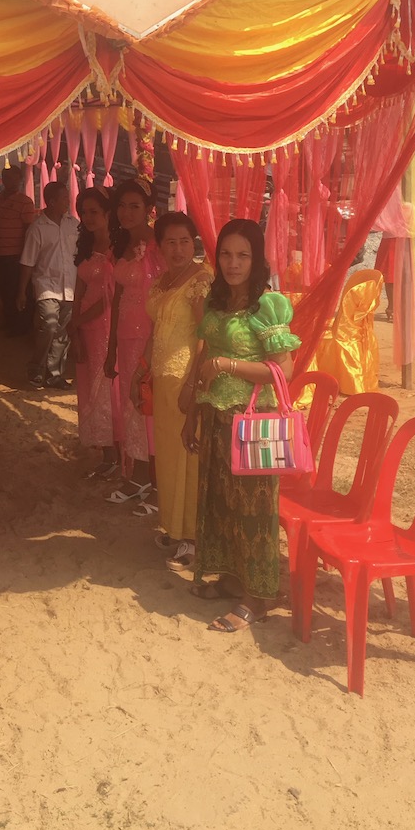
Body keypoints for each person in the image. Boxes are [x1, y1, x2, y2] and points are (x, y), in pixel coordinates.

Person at [183, 219, 301, 633]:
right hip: (216, 417)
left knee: (254, 514)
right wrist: (193, 412)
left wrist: (229, 365)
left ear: (257, 259)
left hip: (252, 425)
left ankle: (259, 598)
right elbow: (203, 357)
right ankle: (233, 579)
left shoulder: (266, 305)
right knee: (221, 505)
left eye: (243, 255)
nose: (234, 263)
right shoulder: (217, 301)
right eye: (227, 254)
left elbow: (284, 367)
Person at [134, 213, 212, 567]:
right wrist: (142, 369)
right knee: (167, 455)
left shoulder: (201, 280)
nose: (178, 248)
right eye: (170, 241)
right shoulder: (164, 280)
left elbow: (205, 337)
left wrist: (193, 385)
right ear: (160, 245)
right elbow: (156, 330)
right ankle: (173, 527)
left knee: (188, 457)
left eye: (184, 241)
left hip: (185, 380)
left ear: (193, 241)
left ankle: (193, 537)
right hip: (163, 380)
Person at [104, 179, 162, 506]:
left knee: (150, 409)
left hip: (150, 339)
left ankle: (157, 481)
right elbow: (116, 300)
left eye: (134, 206)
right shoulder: (120, 246)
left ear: (149, 209)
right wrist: (111, 347)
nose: (126, 213)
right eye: (122, 206)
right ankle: (138, 475)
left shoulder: (159, 246)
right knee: (132, 408)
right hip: (125, 339)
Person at [68, 188, 120, 477]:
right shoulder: (86, 246)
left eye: (94, 212)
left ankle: (115, 454)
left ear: (107, 213)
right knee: (90, 387)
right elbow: (80, 289)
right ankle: (105, 451)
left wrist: (80, 320)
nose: (88, 217)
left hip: (106, 325)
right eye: (84, 212)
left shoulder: (117, 249)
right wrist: (75, 322)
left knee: (106, 388)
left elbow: (110, 297)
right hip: (85, 326)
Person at [17, 181, 79, 389]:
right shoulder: (37, 228)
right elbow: (28, 262)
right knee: (49, 326)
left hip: (70, 286)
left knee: (63, 332)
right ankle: (36, 368)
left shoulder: (74, 224)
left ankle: (54, 374)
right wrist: (22, 292)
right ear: (51, 202)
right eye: (63, 198)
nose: (67, 201)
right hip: (46, 286)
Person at [0, 165, 37, 334]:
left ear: (19, 179)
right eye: (6, 176)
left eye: (12, 177)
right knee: (3, 290)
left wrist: (26, 255)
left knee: (18, 291)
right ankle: (8, 322)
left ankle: (21, 326)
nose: (8, 180)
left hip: (15, 255)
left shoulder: (25, 202)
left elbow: (28, 230)